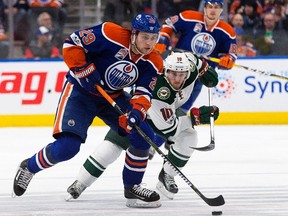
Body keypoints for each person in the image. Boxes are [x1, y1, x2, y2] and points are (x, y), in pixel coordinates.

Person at [12, 13, 164, 208]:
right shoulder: (110, 33)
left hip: (112, 97)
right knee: (68, 147)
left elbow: (143, 93)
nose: (149, 43)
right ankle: (29, 167)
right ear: (133, 34)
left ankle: (132, 186)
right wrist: (83, 69)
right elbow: (72, 43)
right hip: (80, 92)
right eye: (145, 37)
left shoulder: (153, 61)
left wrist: (136, 113)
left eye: (154, 38)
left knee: (143, 135)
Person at [65, 52, 219, 201]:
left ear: (189, 71)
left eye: (181, 74)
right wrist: (196, 117)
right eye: (173, 74)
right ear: (166, 71)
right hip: (142, 113)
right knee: (111, 147)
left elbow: (196, 60)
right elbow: (168, 130)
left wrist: (206, 70)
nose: (178, 79)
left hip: (167, 112)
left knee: (190, 136)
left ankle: (167, 176)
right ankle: (80, 182)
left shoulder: (190, 64)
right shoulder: (160, 91)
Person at [155, 0, 237, 114]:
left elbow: (231, 54)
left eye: (216, 7)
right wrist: (164, 36)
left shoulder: (227, 31)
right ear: (205, 8)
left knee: (179, 113)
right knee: (161, 105)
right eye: (210, 6)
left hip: (199, 75)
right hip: (176, 70)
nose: (213, 10)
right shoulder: (189, 17)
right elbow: (169, 24)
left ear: (221, 10)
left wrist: (227, 60)